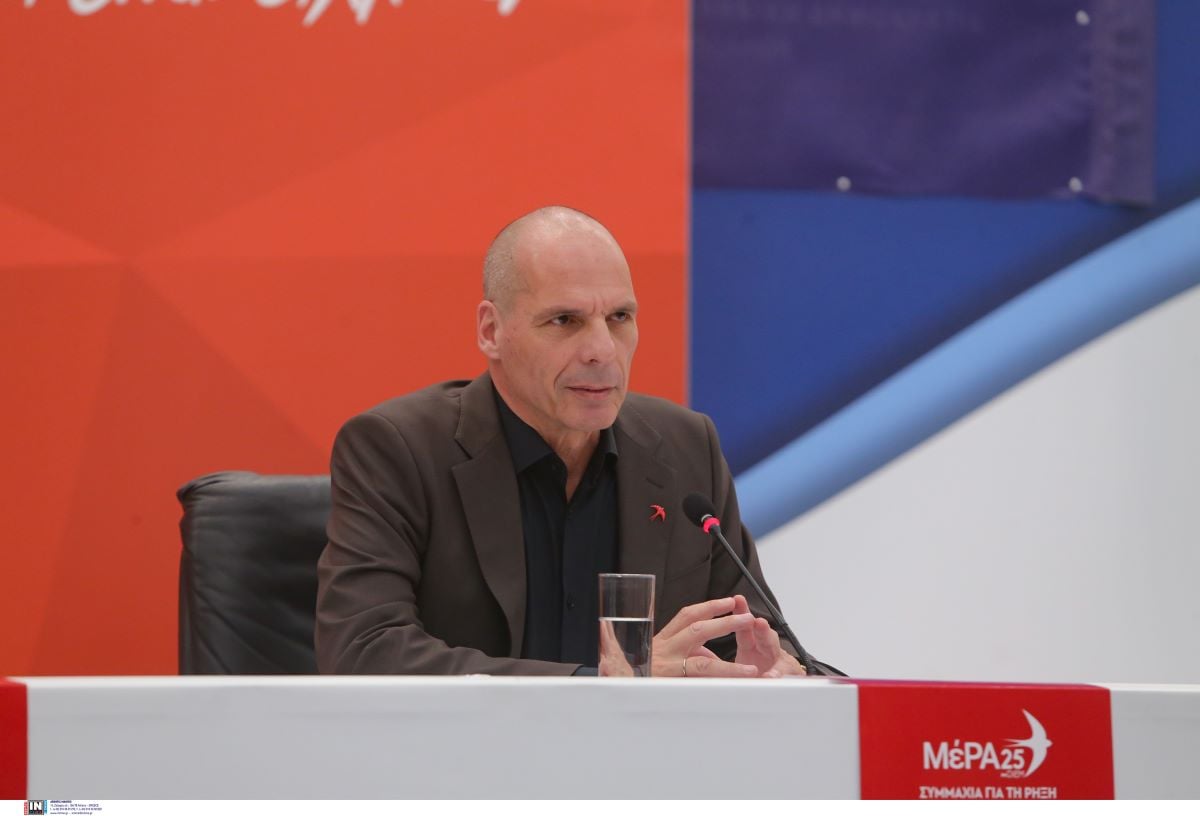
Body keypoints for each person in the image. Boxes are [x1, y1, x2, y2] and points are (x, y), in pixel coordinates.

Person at [316, 206, 839, 677]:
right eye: (564, 320)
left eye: (619, 318)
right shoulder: (397, 449)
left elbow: (753, 636)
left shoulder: (686, 447)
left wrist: (780, 673)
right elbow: (363, 649)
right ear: (491, 331)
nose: (602, 350)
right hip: (467, 753)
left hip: (642, 755)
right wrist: (599, 687)